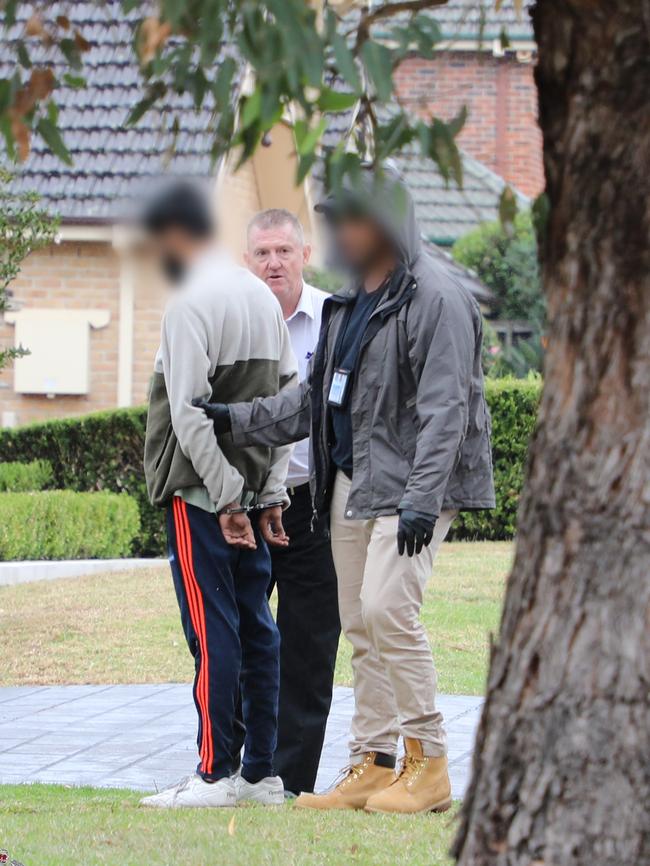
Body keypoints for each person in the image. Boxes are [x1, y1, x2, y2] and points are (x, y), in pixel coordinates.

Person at [195, 167, 496, 815]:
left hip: (414, 485)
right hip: (353, 482)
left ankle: (429, 761)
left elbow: (447, 408)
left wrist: (422, 497)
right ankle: (373, 760)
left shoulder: (435, 297)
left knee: (390, 609)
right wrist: (233, 419)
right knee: (359, 624)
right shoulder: (352, 301)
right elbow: (310, 402)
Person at [139, 181, 298, 809]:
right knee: (259, 629)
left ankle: (214, 774)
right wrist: (270, 493)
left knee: (215, 632)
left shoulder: (188, 304)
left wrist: (229, 498)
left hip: (207, 500)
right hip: (255, 499)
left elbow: (187, 414)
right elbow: (291, 410)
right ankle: (261, 774)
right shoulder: (263, 301)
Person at [238, 209, 341, 797]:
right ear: (247, 262)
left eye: (283, 251)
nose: (273, 263)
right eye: (261, 254)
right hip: (245, 505)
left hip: (311, 505)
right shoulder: (233, 322)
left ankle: (289, 780)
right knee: (240, 638)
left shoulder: (334, 319)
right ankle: (237, 768)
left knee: (307, 646)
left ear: (304, 254)